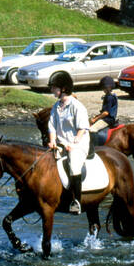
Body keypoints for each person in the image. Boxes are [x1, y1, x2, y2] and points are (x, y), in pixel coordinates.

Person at [48, 75, 91, 214]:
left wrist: (73, 144)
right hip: (61, 142)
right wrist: (52, 140)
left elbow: (82, 129)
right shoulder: (56, 106)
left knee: (73, 166)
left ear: (63, 89)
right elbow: (52, 126)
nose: (52, 90)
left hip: (78, 142)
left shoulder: (77, 106)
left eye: (54, 87)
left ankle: (76, 201)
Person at [88, 75, 119, 148]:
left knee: (92, 129)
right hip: (107, 118)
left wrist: (95, 119)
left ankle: (94, 149)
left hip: (108, 119)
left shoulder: (109, 97)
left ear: (110, 87)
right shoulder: (111, 95)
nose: (104, 89)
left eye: (105, 88)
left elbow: (106, 113)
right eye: (103, 88)